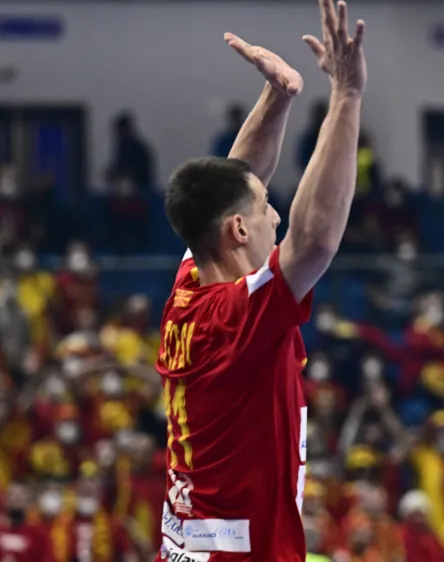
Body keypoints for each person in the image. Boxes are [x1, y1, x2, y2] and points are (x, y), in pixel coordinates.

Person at [154, 1, 366, 561]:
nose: (277, 216)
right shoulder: (234, 318)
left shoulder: (190, 284)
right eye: (269, 207)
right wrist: (345, 97)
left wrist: (279, 96)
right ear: (240, 229)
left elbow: (231, 186)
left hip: (189, 548)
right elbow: (316, 240)